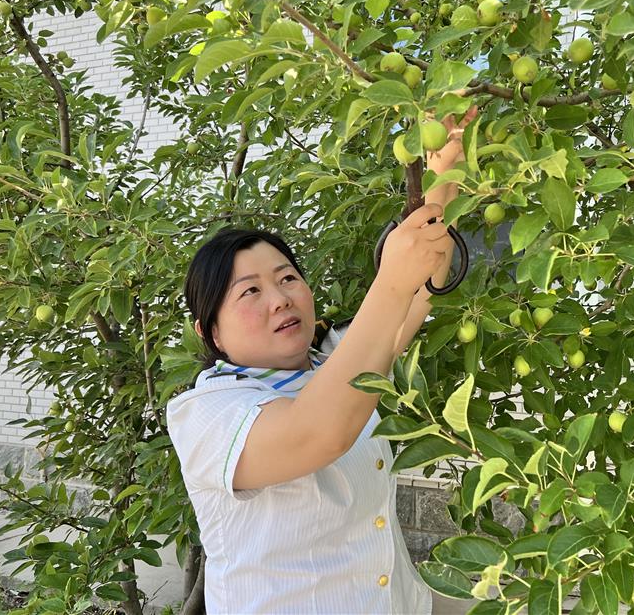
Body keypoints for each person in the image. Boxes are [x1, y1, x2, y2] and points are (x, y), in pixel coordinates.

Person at [166, 108, 477, 614]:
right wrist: (390, 281)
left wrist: (444, 174)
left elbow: (415, 295)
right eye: (250, 292)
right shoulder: (206, 414)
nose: (281, 299)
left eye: (288, 278)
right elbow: (318, 433)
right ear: (210, 331)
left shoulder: (330, 359)